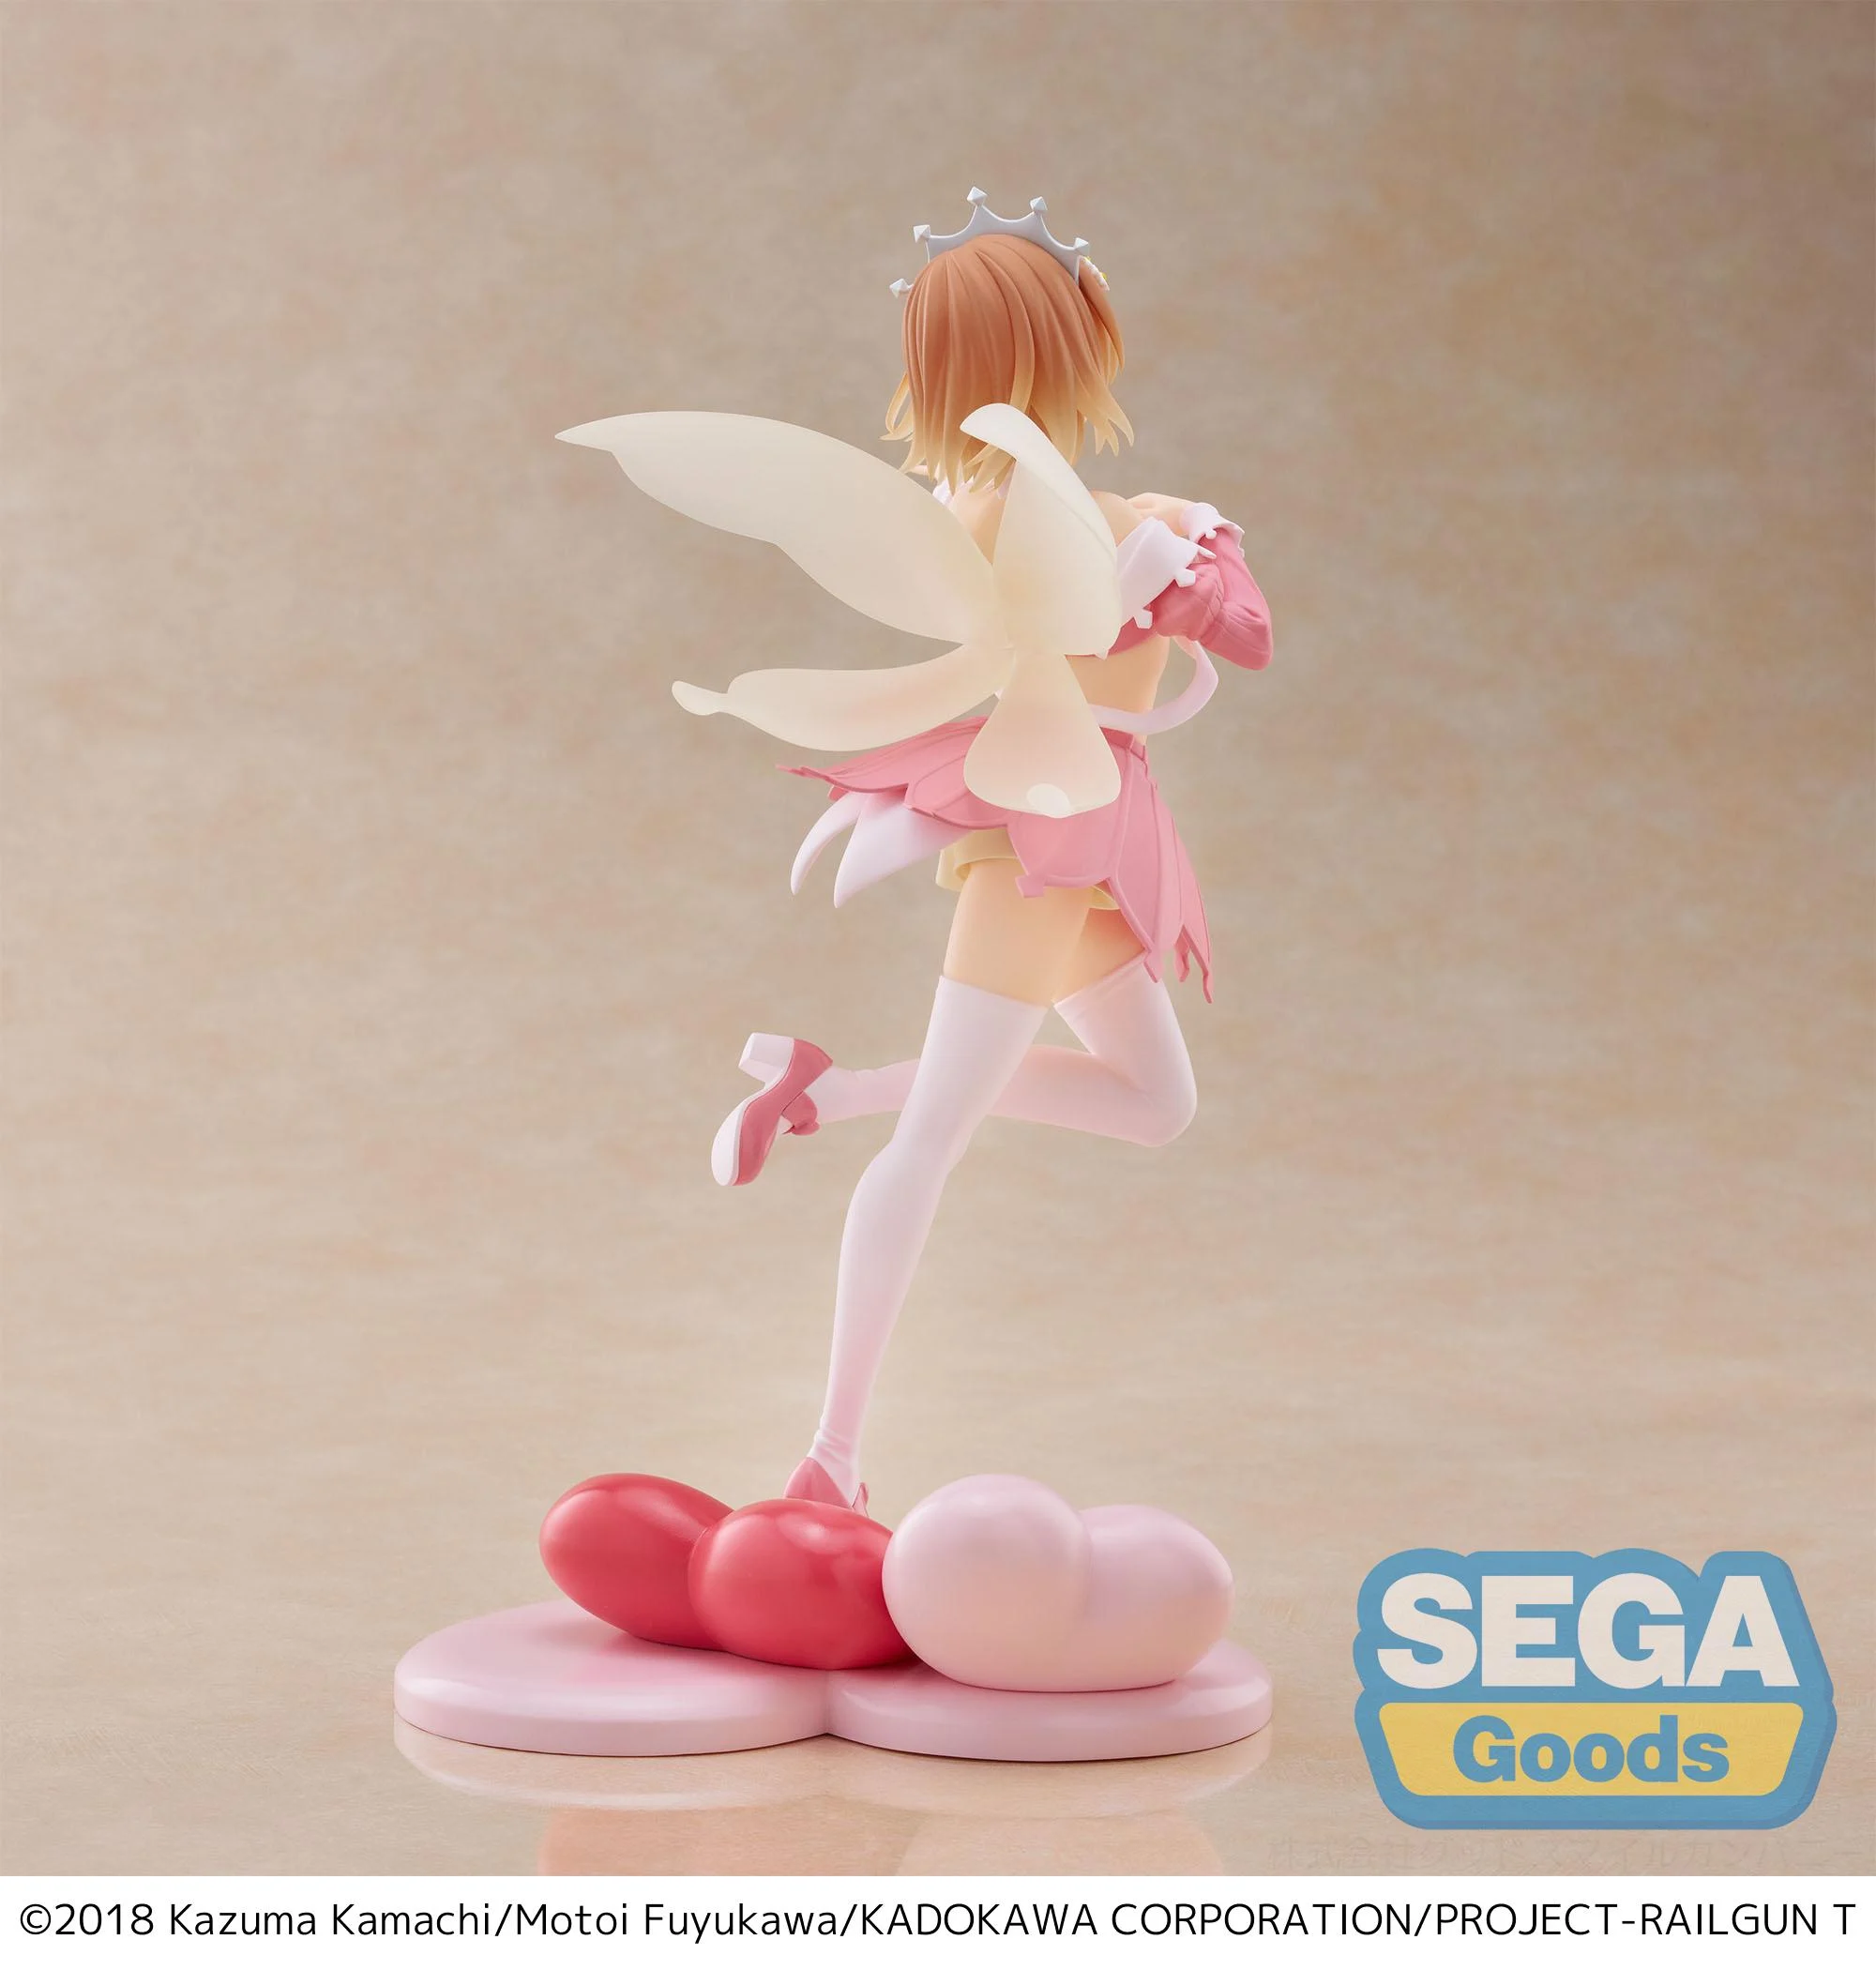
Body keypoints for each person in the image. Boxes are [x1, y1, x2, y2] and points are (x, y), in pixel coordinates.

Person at [564, 193, 1272, 1515]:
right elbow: (1131, 616)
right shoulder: (994, 513)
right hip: (1044, 830)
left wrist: (1189, 567)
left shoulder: (1116, 510)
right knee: (935, 1143)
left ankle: (827, 1092)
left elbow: (1247, 632)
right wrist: (1167, 572)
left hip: (1105, 830)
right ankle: (829, 1458)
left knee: (1154, 1102)